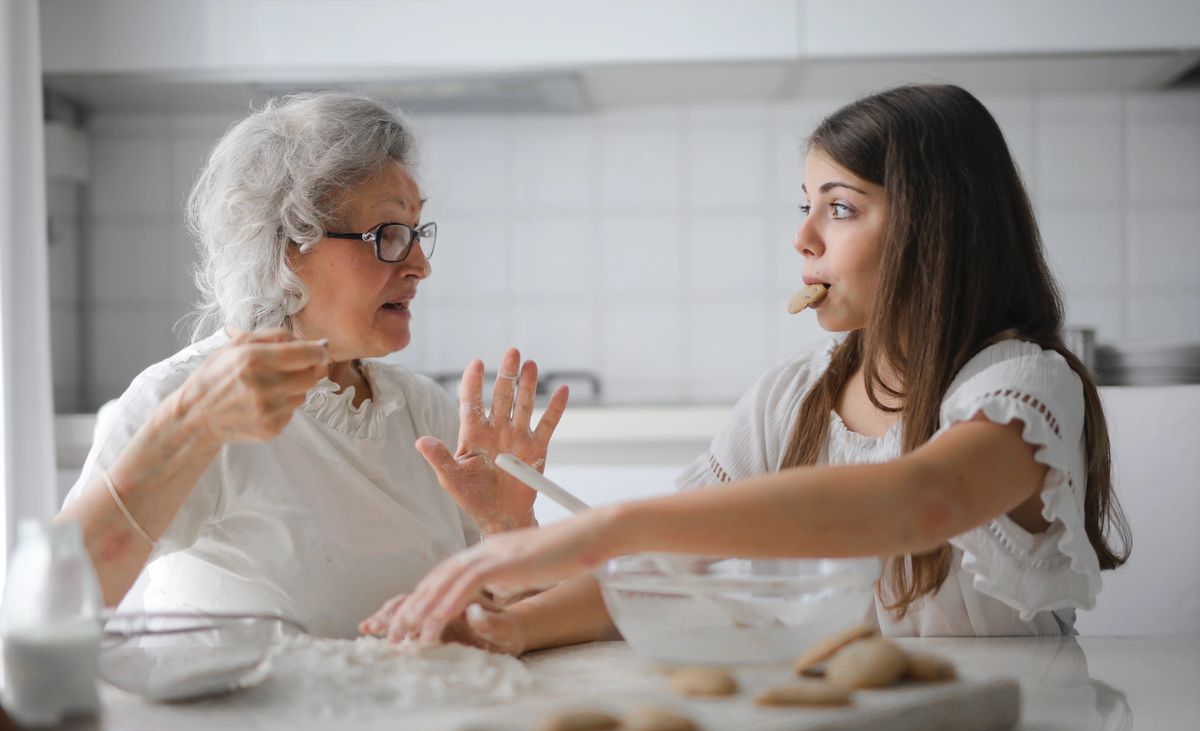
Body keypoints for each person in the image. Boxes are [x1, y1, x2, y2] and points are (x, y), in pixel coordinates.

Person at [364, 84, 1131, 649]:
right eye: (805, 204)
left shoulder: (1022, 388)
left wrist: (613, 523)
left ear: (937, 228)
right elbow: (668, 568)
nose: (802, 237)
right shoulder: (792, 397)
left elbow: (922, 500)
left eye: (840, 207)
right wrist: (512, 627)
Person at [57, 92, 567, 638]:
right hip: (246, 723)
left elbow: (505, 626)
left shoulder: (421, 410)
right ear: (284, 247)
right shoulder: (184, 397)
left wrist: (507, 527)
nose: (420, 265)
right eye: (388, 236)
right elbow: (57, 599)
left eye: (417, 234)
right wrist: (187, 429)